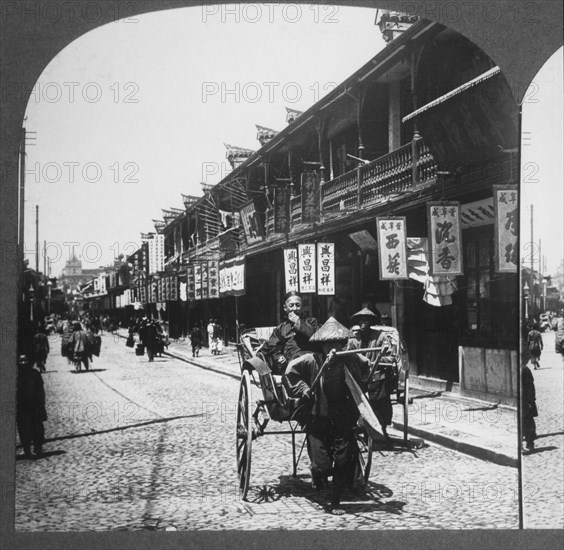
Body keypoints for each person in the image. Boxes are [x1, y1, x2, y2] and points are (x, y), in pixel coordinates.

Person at [285, 317, 369, 515]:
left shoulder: (350, 358)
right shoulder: (310, 360)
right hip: (317, 418)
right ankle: (319, 475)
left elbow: (366, 367)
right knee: (321, 466)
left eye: (337, 343)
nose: (333, 347)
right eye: (328, 343)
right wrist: (304, 388)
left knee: (341, 462)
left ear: (342, 344)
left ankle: (335, 502)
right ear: (321, 345)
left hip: (342, 418)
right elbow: (290, 372)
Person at [346, 307, 396, 441]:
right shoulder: (353, 339)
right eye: (361, 321)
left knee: (381, 400)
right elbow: (347, 357)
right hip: (358, 378)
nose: (363, 324)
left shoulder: (380, 337)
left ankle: (382, 428)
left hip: (377, 377)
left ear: (371, 322)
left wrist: (376, 362)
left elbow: (390, 358)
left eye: (366, 321)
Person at [262, 291, 319, 375]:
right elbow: (273, 348)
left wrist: (298, 322)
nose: (295, 308)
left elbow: (317, 336)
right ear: (285, 308)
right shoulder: (280, 329)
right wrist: (279, 357)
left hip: (311, 361)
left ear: (302, 306)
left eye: (298, 305)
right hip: (291, 363)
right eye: (291, 305)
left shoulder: (312, 322)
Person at [16, 355, 47, 459]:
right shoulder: (16, 375)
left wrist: (41, 404)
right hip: (22, 408)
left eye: (25, 360)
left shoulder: (35, 373)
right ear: (18, 362)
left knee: (37, 428)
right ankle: (27, 449)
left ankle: (38, 448)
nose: (23, 362)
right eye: (21, 361)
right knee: (23, 429)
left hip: (35, 406)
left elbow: (40, 390)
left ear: (29, 361)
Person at [521, 362, 538, 453]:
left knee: (527, 423)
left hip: (524, 402)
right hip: (524, 402)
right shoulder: (524, 369)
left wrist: (531, 401)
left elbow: (530, 387)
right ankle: (529, 444)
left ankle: (529, 444)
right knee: (527, 423)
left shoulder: (524, 370)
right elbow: (531, 387)